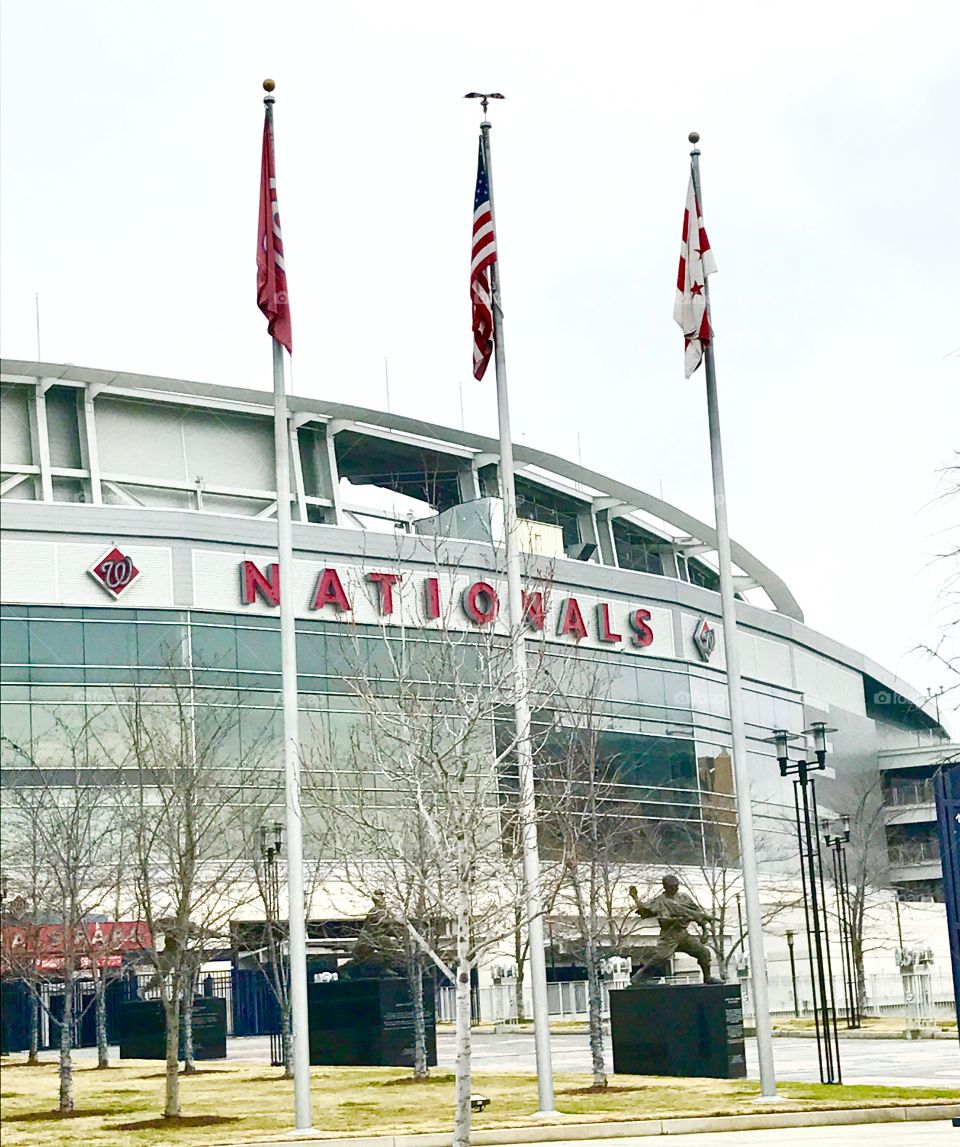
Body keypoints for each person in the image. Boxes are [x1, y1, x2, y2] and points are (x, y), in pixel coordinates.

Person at [628, 874, 720, 984]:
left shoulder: (684, 898)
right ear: (665, 887)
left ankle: (708, 977)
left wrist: (704, 930)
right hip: (669, 936)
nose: (676, 888)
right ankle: (638, 978)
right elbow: (645, 909)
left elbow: (697, 914)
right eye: (672, 886)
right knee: (660, 958)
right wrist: (635, 897)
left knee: (704, 952)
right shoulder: (660, 901)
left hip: (683, 935)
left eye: (677, 886)